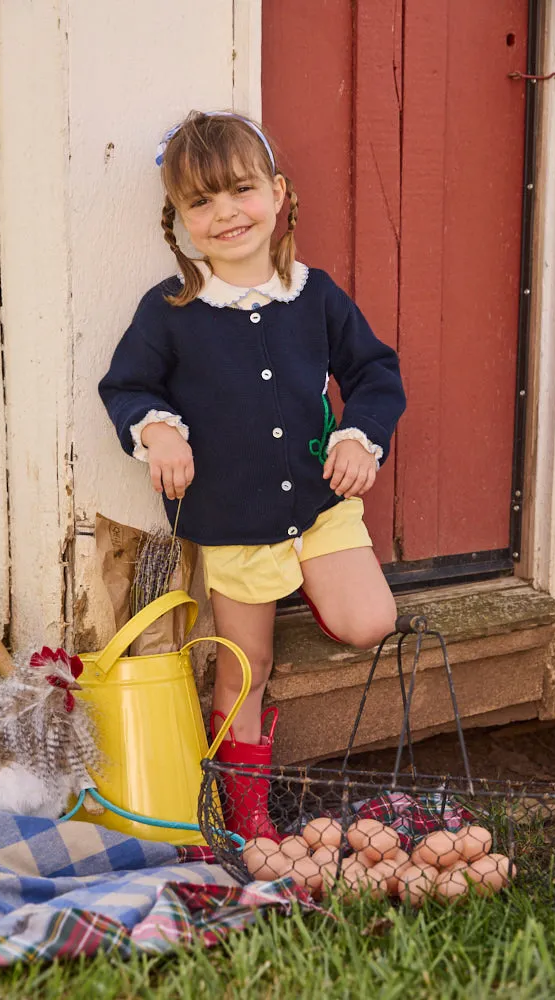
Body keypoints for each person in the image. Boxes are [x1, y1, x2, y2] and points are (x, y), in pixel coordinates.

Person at [99, 111, 406, 840]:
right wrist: (159, 428)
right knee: (247, 667)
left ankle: (313, 580)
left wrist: (361, 439)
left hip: (320, 504)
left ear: (276, 191)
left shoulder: (315, 294)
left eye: (239, 190)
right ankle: (245, 813)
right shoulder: (170, 311)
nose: (225, 213)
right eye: (201, 202)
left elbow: (373, 372)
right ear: (178, 219)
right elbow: (128, 386)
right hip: (234, 521)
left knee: (372, 622)